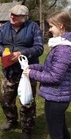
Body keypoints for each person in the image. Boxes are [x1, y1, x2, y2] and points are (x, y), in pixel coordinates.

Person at [0, 4, 44, 139]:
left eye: (16, 15)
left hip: (27, 71)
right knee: (5, 100)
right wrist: (2, 51)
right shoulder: (4, 28)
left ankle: (27, 128)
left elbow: (39, 48)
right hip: (9, 71)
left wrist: (22, 53)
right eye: (11, 14)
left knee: (27, 101)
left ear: (24, 17)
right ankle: (12, 120)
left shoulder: (33, 27)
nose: (12, 17)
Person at [24, 11, 71, 139]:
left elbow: (55, 77)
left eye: (51, 26)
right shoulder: (61, 45)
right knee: (61, 128)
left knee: (55, 132)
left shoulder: (63, 49)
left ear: (60, 26)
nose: (50, 30)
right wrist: (32, 67)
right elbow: (49, 68)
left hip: (57, 97)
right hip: (57, 96)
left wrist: (32, 74)